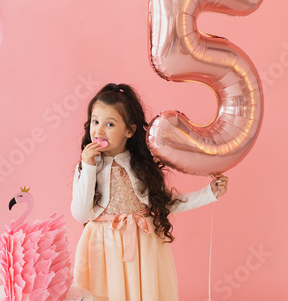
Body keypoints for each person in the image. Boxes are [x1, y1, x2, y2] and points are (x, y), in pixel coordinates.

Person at [71, 83, 228, 301]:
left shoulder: (141, 166)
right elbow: (81, 214)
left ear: (129, 130)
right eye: (95, 122)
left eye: (110, 124)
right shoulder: (87, 167)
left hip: (142, 243)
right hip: (102, 247)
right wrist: (88, 167)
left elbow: (166, 202)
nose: (99, 130)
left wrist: (208, 193)